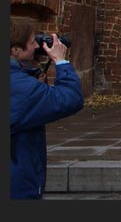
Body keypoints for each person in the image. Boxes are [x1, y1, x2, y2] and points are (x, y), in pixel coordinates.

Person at [9, 16, 84, 199]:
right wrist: (60, 61)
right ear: (16, 50)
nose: (37, 46)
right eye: (33, 42)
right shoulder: (19, 86)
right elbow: (69, 99)